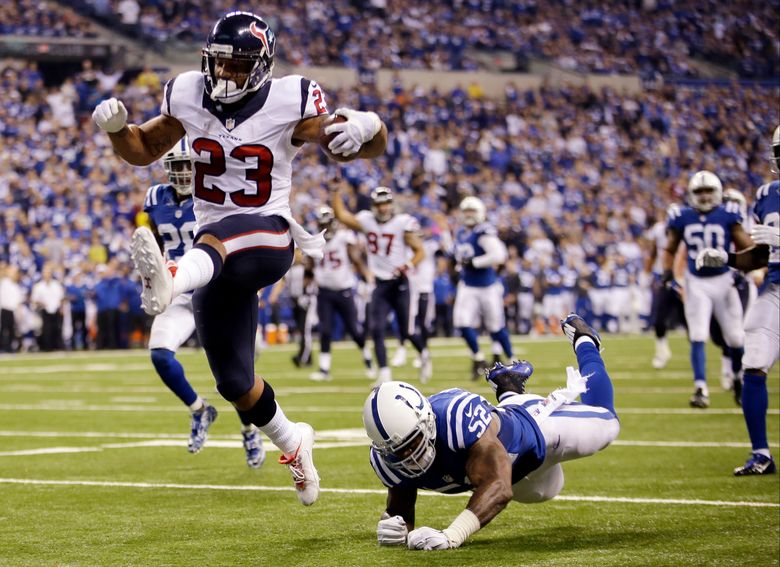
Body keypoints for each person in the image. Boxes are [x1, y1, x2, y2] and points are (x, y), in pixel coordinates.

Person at [92, 10, 387, 505]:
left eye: (237, 65)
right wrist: (118, 129)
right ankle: (294, 442)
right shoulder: (186, 92)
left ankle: (170, 276)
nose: (225, 74)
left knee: (219, 237)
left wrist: (368, 125)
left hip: (268, 236)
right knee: (234, 382)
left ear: (262, 66)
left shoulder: (290, 99)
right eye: (220, 62)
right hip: (214, 252)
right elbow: (143, 150)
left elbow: (359, 144)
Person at [363, 313, 619, 551]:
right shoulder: (388, 459)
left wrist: (452, 535)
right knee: (547, 491)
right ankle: (509, 388)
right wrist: (396, 530)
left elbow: (498, 486)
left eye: (412, 442)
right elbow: (402, 513)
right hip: (518, 473)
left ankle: (586, 341)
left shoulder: (455, 417)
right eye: (398, 451)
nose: (409, 455)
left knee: (607, 424)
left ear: (427, 422)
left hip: (536, 431)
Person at [143, 138, 265, 468]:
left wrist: (249, 280)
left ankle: (249, 429)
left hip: (216, 288)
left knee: (237, 377)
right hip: (178, 290)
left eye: (188, 164)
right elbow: (153, 241)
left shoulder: (214, 198)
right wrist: (152, 272)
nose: (183, 172)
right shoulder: (155, 198)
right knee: (160, 355)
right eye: (177, 165)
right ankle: (199, 409)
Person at [696, 125, 780, 475]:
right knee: (753, 364)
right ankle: (760, 453)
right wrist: (728, 258)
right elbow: (760, 255)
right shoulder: (767, 194)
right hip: (775, 289)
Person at [662, 170, 753, 409]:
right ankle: (700, 388)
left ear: (718, 192)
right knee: (698, 335)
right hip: (697, 282)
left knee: (735, 336)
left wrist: (745, 270)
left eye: (708, 191)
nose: (703, 196)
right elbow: (670, 248)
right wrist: (668, 272)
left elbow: (746, 247)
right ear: (691, 194)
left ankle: (737, 379)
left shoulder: (728, 214)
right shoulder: (681, 217)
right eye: (699, 192)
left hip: (724, 279)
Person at [332, 186, 431, 383]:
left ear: (391, 204)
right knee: (376, 328)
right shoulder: (366, 220)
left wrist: (408, 265)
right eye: (379, 204)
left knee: (407, 331)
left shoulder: (402, 223)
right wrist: (335, 191)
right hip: (380, 283)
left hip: (400, 282)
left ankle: (424, 355)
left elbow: (420, 251)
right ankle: (384, 373)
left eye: (386, 203)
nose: (383, 208)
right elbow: (342, 215)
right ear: (374, 206)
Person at [308, 205, 374, 382]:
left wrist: (366, 275)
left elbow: (355, 258)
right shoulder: (314, 240)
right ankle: (324, 369)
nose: (326, 228)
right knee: (325, 330)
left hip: (344, 290)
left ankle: (368, 359)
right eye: (322, 224)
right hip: (324, 291)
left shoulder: (344, 238)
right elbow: (309, 265)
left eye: (328, 224)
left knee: (353, 329)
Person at [451, 196, 513, 379]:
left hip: (487, 286)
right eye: (466, 211)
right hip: (468, 285)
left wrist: (475, 262)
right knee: (461, 322)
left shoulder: (483, 231)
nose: (469, 215)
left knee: (496, 326)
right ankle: (478, 358)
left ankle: (511, 359)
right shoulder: (461, 232)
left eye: (472, 211)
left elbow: (499, 255)